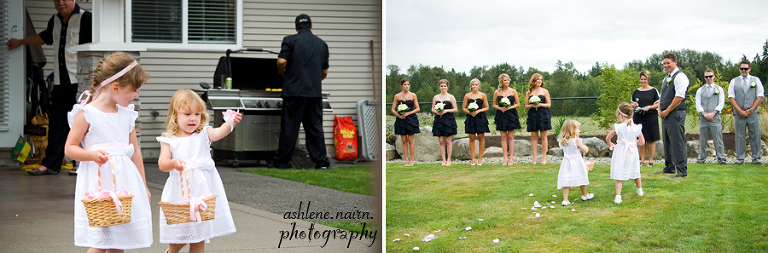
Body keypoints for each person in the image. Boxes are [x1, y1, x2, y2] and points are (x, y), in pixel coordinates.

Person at [64, 52, 152, 250]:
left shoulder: (126, 114)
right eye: (134, 90)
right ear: (115, 87)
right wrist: (90, 155)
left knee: (119, 242)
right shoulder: (87, 113)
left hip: (123, 186)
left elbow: (135, 152)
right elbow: (70, 148)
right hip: (97, 186)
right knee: (99, 242)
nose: (136, 95)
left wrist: (144, 186)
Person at [7, 0, 92, 176]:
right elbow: (45, 37)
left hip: (80, 81)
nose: (60, 2)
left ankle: (83, 164)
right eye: (56, 0)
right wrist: (21, 41)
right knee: (57, 123)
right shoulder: (54, 19)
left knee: (82, 123)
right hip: (60, 81)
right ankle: (51, 164)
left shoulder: (86, 18)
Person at [156, 89, 239, 253]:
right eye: (187, 114)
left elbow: (219, 133)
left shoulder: (203, 134)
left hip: (201, 193)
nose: (193, 118)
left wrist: (230, 123)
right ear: (175, 116)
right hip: (180, 193)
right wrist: (173, 163)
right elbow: (162, 163)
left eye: (197, 114)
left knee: (199, 236)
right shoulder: (169, 140)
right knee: (179, 235)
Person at [272, 14, 331, 169]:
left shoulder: (290, 40)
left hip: (294, 92)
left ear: (296, 27)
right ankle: (321, 163)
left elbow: (281, 61)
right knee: (315, 128)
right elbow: (324, 72)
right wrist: (314, 80)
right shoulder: (321, 44)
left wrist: (281, 71)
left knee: (290, 127)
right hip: (314, 93)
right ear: (311, 26)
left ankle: (282, 162)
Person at [656, 53, 689, 179]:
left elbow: (679, 97)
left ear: (675, 62)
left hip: (675, 114)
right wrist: (659, 109)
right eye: (664, 63)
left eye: (668, 63)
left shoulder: (680, 77)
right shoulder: (666, 79)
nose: (666, 65)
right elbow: (662, 96)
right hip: (665, 115)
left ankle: (681, 170)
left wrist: (667, 110)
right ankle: (669, 167)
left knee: (677, 142)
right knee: (667, 141)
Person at [606, 103, 645, 204]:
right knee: (636, 171)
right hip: (632, 152)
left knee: (620, 174)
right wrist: (633, 142)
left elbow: (608, 138)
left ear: (621, 115)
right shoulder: (636, 128)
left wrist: (610, 143)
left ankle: (618, 196)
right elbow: (642, 142)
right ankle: (639, 190)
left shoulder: (618, 127)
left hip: (620, 152)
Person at [728, 60, 764, 165]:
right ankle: (740, 159)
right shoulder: (734, 81)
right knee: (739, 136)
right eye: (742, 69)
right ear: (739, 69)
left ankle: (756, 159)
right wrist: (739, 110)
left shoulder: (756, 80)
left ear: (749, 69)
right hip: (739, 113)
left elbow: (760, 95)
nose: (744, 71)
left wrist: (751, 109)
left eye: (746, 69)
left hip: (752, 113)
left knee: (755, 135)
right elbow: (731, 97)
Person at [556, 119, 593, 206]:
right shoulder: (576, 140)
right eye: (578, 129)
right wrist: (584, 147)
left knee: (566, 180)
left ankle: (565, 200)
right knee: (582, 177)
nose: (579, 131)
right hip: (577, 162)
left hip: (566, 162)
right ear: (572, 129)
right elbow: (585, 150)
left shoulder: (563, 141)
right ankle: (584, 195)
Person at [696, 69, 727, 165]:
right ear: (704, 78)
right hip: (703, 118)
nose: (708, 78)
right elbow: (698, 104)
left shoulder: (719, 89)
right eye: (706, 77)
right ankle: (701, 159)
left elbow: (721, 103)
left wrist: (713, 113)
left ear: (714, 77)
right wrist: (705, 114)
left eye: (710, 76)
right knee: (703, 139)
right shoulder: (700, 90)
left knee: (718, 139)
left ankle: (721, 158)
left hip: (715, 117)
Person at [630, 70, 660, 167]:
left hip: (651, 117)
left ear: (648, 79)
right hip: (638, 117)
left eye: (645, 79)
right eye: (641, 79)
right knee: (640, 139)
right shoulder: (636, 91)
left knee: (650, 139)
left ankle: (650, 161)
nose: (643, 81)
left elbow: (658, 103)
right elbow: (631, 103)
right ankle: (642, 160)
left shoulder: (653, 91)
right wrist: (634, 104)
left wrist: (649, 108)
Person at [492, 73, 521, 165]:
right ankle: (505, 158)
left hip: (511, 115)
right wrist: (500, 108)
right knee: (503, 137)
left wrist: (510, 107)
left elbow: (518, 104)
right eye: (505, 80)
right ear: (501, 81)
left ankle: (511, 158)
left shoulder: (513, 91)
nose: (507, 82)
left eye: (508, 80)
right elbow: (494, 104)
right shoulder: (497, 92)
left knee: (511, 137)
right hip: (501, 115)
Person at [391, 78, 420, 166]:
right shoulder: (397, 96)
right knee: (404, 140)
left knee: (411, 140)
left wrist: (408, 113)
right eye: (404, 84)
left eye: (408, 84)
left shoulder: (413, 95)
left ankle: (412, 159)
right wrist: (399, 115)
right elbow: (392, 109)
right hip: (401, 120)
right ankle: (406, 160)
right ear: (401, 86)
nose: (406, 86)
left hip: (411, 119)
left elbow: (417, 108)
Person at [524, 73, 551, 164]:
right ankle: (534, 158)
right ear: (534, 81)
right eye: (538, 79)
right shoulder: (529, 92)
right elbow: (526, 105)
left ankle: (544, 157)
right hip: (532, 114)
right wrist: (532, 105)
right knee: (534, 137)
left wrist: (539, 104)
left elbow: (548, 104)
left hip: (543, 114)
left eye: (541, 79)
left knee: (543, 136)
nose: (540, 81)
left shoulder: (545, 91)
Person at [462, 78, 490, 165]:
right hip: (471, 118)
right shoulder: (467, 96)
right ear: (471, 86)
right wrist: (469, 112)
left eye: (476, 84)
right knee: (472, 137)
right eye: (473, 84)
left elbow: (486, 107)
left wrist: (478, 111)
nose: (474, 86)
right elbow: (463, 108)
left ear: (479, 86)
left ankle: (480, 159)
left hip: (480, 118)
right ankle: (473, 159)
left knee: (481, 138)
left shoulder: (482, 95)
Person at [431, 79, 458, 166]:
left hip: (448, 119)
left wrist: (446, 110)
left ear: (447, 87)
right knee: (441, 141)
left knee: (448, 141)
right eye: (441, 86)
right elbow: (432, 108)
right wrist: (436, 111)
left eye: (445, 86)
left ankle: (449, 159)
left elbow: (455, 109)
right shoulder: (436, 97)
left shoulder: (451, 97)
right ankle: (443, 160)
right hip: (439, 120)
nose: (443, 87)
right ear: (439, 87)